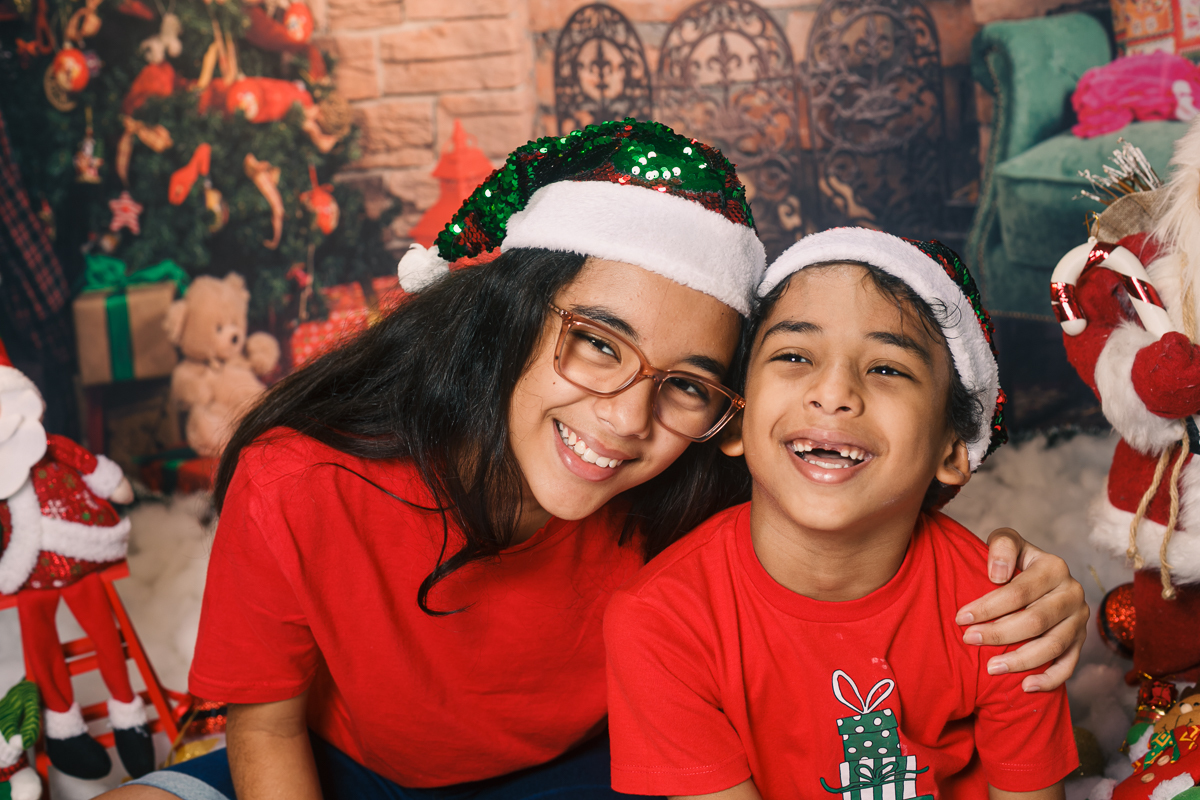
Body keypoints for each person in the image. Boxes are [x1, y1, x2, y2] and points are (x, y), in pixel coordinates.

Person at [109, 125, 1086, 800]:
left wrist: (1027, 577)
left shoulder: (701, 474)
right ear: (512, 311)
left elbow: (861, 514)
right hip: (333, 766)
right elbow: (267, 730)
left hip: (580, 774)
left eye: (687, 383)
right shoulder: (304, 478)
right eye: (598, 343)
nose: (624, 419)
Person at [604, 229, 1079, 800]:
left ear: (954, 450)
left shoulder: (1005, 614)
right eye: (795, 356)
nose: (833, 392)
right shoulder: (661, 622)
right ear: (735, 419)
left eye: (887, 369)